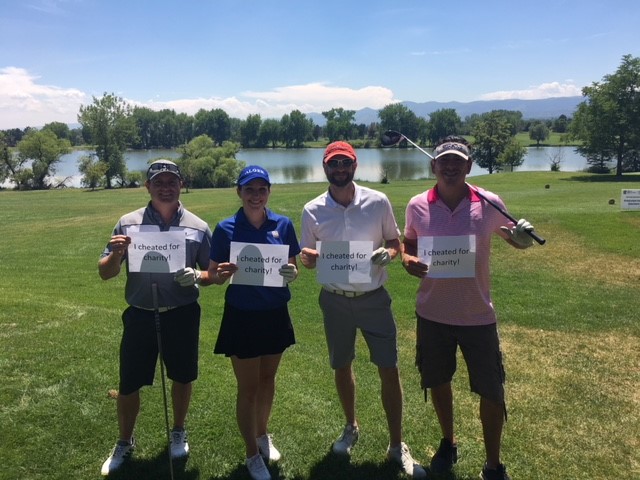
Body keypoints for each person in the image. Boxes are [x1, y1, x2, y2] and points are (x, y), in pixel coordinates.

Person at [402, 136, 536, 480]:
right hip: (432, 314)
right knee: (438, 380)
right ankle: (449, 441)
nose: (450, 167)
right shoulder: (417, 204)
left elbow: (515, 241)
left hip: (478, 315)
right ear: (433, 166)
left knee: (491, 390)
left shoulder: (488, 202)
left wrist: (522, 236)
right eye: (444, 161)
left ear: (468, 166)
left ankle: (493, 464)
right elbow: (409, 245)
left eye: (457, 162)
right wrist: (407, 260)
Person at [300, 141, 427, 479]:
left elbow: (395, 242)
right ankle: (351, 425)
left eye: (345, 163)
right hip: (334, 299)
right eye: (333, 163)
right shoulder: (312, 209)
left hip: (373, 298)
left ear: (354, 165)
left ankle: (397, 444)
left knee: (389, 368)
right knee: (342, 366)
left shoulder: (378, 201)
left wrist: (390, 253)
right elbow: (309, 258)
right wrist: (307, 259)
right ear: (325, 167)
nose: (339, 168)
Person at [98, 160, 213, 476]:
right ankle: (124, 440)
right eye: (158, 182)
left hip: (182, 313)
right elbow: (105, 272)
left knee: (182, 376)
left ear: (180, 185)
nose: (165, 187)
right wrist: (116, 254)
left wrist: (199, 275)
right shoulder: (127, 223)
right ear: (147, 186)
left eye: (171, 181)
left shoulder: (198, 226)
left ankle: (178, 430)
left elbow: (214, 274)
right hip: (140, 314)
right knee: (129, 381)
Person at [208, 165, 300, 480]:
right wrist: (217, 275)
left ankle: (262, 434)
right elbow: (211, 275)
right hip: (242, 316)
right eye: (250, 190)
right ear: (239, 192)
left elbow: (291, 266)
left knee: (267, 381)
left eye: (262, 190)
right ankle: (251, 454)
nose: (256, 196)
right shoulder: (225, 228)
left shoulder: (283, 225)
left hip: (275, 313)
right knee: (247, 389)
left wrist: (293, 272)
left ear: (269, 192)